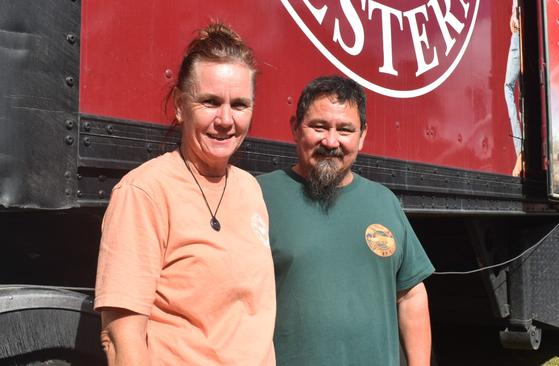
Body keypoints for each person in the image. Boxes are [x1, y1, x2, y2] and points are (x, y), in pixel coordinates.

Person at [94, 23, 275, 366]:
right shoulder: (145, 192)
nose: (225, 119)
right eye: (210, 102)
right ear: (180, 105)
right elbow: (121, 338)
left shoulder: (250, 190)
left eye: (239, 104)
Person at [257, 75, 434, 366]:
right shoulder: (260, 196)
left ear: (362, 136)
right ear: (294, 128)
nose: (331, 141)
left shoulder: (384, 203)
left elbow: (411, 295)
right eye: (319, 126)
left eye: (345, 129)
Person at [505, 0, 523, 176]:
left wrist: (514, 16)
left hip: (519, 34)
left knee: (508, 88)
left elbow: (515, 21)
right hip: (521, 32)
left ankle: (520, 152)